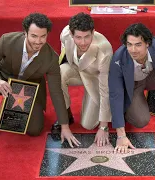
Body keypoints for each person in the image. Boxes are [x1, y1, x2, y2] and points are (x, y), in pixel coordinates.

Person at [0, 13, 80, 148]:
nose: (38, 41)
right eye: (34, 36)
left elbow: (56, 92)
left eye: (42, 36)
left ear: (47, 35)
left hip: (30, 87)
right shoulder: (7, 40)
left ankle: (29, 110)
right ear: (25, 33)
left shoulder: (51, 58)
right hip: (5, 77)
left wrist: (65, 126)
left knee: (34, 131)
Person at [109, 23, 155, 153]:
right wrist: (121, 135)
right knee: (140, 121)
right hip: (132, 86)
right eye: (129, 44)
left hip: (150, 76)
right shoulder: (118, 59)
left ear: (147, 44)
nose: (133, 49)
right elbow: (116, 94)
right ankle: (130, 108)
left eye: (138, 44)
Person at [51, 12, 113, 147]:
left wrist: (104, 127)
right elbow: (64, 58)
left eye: (87, 37)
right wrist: (64, 125)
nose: (83, 42)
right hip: (76, 70)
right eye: (78, 37)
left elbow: (105, 88)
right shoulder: (65, 34)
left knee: (88, 125)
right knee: (59, 73)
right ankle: (65, 114)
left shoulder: (104, 49)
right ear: (71, 34)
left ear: (93, 32)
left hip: (94, 79)